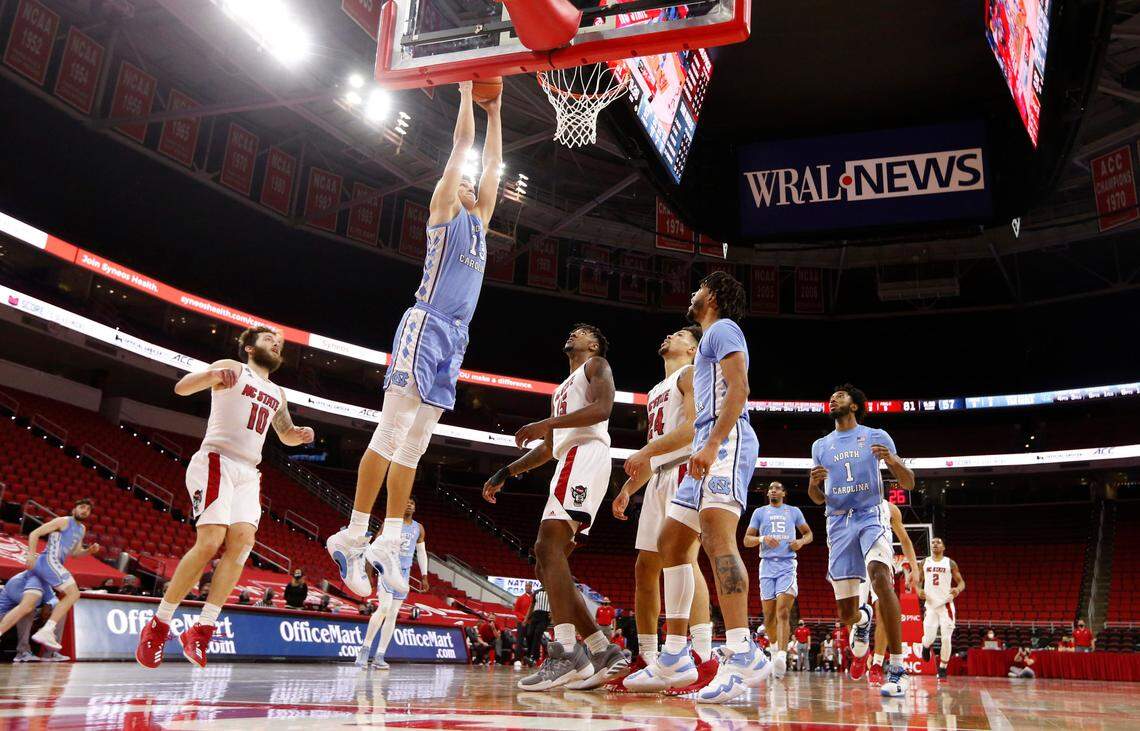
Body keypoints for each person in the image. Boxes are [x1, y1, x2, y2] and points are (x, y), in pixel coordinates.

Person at [327, 81, 504, 599]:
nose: (472, 183)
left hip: (456, 338)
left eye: (474, 185)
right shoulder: (445, 211)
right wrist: (470, 95)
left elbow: (492, 165)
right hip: (425, 326)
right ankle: (353, 534)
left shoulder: (482, 224)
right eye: (465, 183)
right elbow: (462, 152)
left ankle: (389, 538)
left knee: (416, 443)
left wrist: (497, 112)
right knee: (391, 429)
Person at [133, 327, 314, 669]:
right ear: (249, 347)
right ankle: (158, 625)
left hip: (248, 472)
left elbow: (285, 435)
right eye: (269, 339)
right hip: (217, 459)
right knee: (211, 540)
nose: (276, 343)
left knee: (243, 544)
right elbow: (181, 387)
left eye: (280, 342)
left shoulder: (277, 392)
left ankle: (203, 628)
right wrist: (212, 374)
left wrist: (300, 436)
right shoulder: (232, 366)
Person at [625, 272, 767, 705]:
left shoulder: (723, 328)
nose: (691, 294)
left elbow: (739, 388)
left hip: (724, 439)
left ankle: (743, 651)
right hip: (702, 445)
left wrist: (714, 443)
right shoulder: (705, 342)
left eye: (698, 288)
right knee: (672, 540)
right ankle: (675, 656)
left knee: (717, 535)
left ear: (715, 296)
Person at [483, 323, 628, 691]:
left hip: (586, 455)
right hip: (568, 460)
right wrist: (506, 470)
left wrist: (546, 423)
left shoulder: (596, 367)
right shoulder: (562, 389)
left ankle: (564, 651)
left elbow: (603, 408)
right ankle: (601, 648)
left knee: (548, 546)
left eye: (581, 332)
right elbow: (549, 446)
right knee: (543, 558)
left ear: (594, 343)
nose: (573, 334)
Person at [609, 326, 718, 694]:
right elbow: (656, 449)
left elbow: (690, 431)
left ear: (691, 348)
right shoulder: (655, 391)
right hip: (658, 477)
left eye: (677, 335)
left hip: (686, 468)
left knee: (685, 558)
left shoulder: (689, 375)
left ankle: (702, 656)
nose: (668, 337)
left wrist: (644, 455)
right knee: (645, 567)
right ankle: (649, 657)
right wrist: (629, 486)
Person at [808, 384, 915, 697]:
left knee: (881, 579)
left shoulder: (876, 435)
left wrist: (892, 462)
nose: (833, 398)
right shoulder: (820, 445)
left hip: (870, 514)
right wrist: (814, 485)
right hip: (838, 522)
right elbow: (816, 498)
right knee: (846, 614)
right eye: (831, 396)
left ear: (855, 405)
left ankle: (897, 668)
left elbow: (908, 482)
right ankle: (863, 619)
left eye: (840, 396)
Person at [743, 481, 812, 679]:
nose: (773, 490)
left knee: (783, 612)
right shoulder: (760, 513)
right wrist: (762, 539)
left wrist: (800, 541)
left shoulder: (793, 511)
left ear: (784, 492)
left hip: (787, 565)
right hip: (766, 566)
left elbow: (808, 534)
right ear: (768, 493)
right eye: (770, 488)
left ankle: (781, 654)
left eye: (777, 488)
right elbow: (747, 540)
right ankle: (774, 652)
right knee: (769, 617)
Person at [18, 499, 100, 651]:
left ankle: (46, 632)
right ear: (74, 508)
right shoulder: (63, 521)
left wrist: (88, 551)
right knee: (74, 593)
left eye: (88, 509)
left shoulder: (81, 528)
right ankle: (46, 631)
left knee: (34, 604)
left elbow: (75, 553)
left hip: (54, 565)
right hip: (47, 560)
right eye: (82, 507)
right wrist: (31, 554)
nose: (85, 511)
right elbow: (34, 533)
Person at [356, 498, 429, 670]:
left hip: (404, 573)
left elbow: (422, 553)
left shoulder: (418, 528)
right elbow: (374, 547)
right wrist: (369, 571)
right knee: (384, 608)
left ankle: (380, 655)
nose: (410, 504)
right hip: (388, 567)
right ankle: (364, 650)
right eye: (407, 502)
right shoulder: (390, 524)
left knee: (393, 613)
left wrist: (424, 575)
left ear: (415, 507)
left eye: (413, 502)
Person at [862, 501, 921, 686]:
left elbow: (904, 539)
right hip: (856, 559)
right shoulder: (851, 500)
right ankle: (860, 653)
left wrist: (914, 568)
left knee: (883, 611)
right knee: (853, 614)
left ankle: (877, 664)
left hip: (882, 559)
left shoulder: (890, 508)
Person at [918, 537, 966, 679]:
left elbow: (961, 582)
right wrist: (918, 590)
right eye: (932, 542)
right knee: (929, 638)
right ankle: (925, 646)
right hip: (931, 605)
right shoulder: (924, 562)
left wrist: (957, 590)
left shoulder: (949, 563)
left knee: (946, 638)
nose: (935, 544)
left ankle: (943, 668)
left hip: (946, 605)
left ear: (943, 547)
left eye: (938, 542)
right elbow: (918, 582)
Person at [0, 569, 59, 655]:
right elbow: (27, 604)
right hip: (3, 615)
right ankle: (23, 652)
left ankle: (51, 652)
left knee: (58, 608)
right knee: (27, 610)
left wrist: (49, 604)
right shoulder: (17, 581)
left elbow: (54, 599)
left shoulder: (42, 581)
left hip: (28, 611)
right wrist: (44, 605)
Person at [525, 585, 551, 666]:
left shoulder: (552, 592)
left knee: (537, 634)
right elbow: (531, 606)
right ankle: (530, 655)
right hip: (535, 615)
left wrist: (552, 614)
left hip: (545, 616)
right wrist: (526, 618)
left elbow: (555, 604)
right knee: (529, 634)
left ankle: (533, 657)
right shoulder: (537, 592)